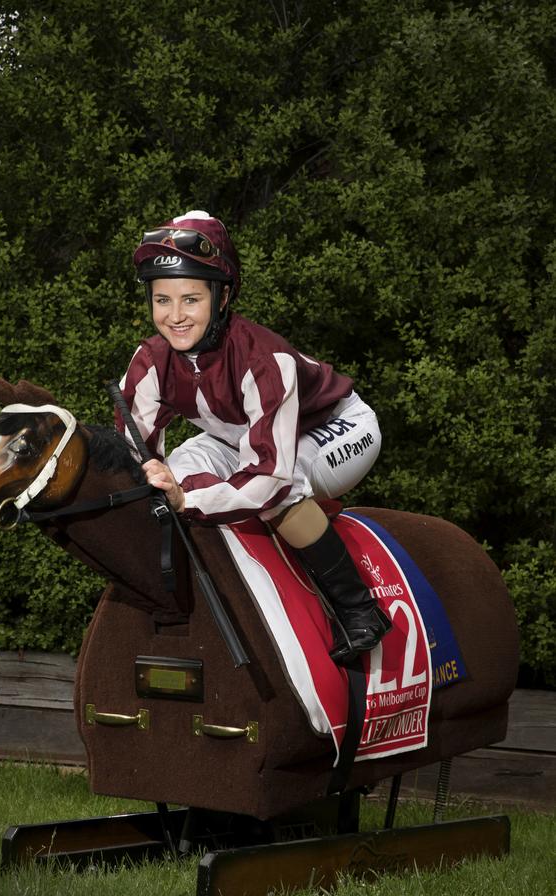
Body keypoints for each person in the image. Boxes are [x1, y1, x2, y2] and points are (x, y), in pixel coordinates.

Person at [120, 210, 391, 662]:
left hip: (333, 427)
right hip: (238, 437)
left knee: (281, 493)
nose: (175, 316)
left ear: (222, 297)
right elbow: (137, 455)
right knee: (175, 472)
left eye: (191, 299)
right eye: (162, 300)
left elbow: (270, 477)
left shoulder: (263, 359)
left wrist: (190, 501)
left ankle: (359, 609)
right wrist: (158, 483)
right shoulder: (150, 360)